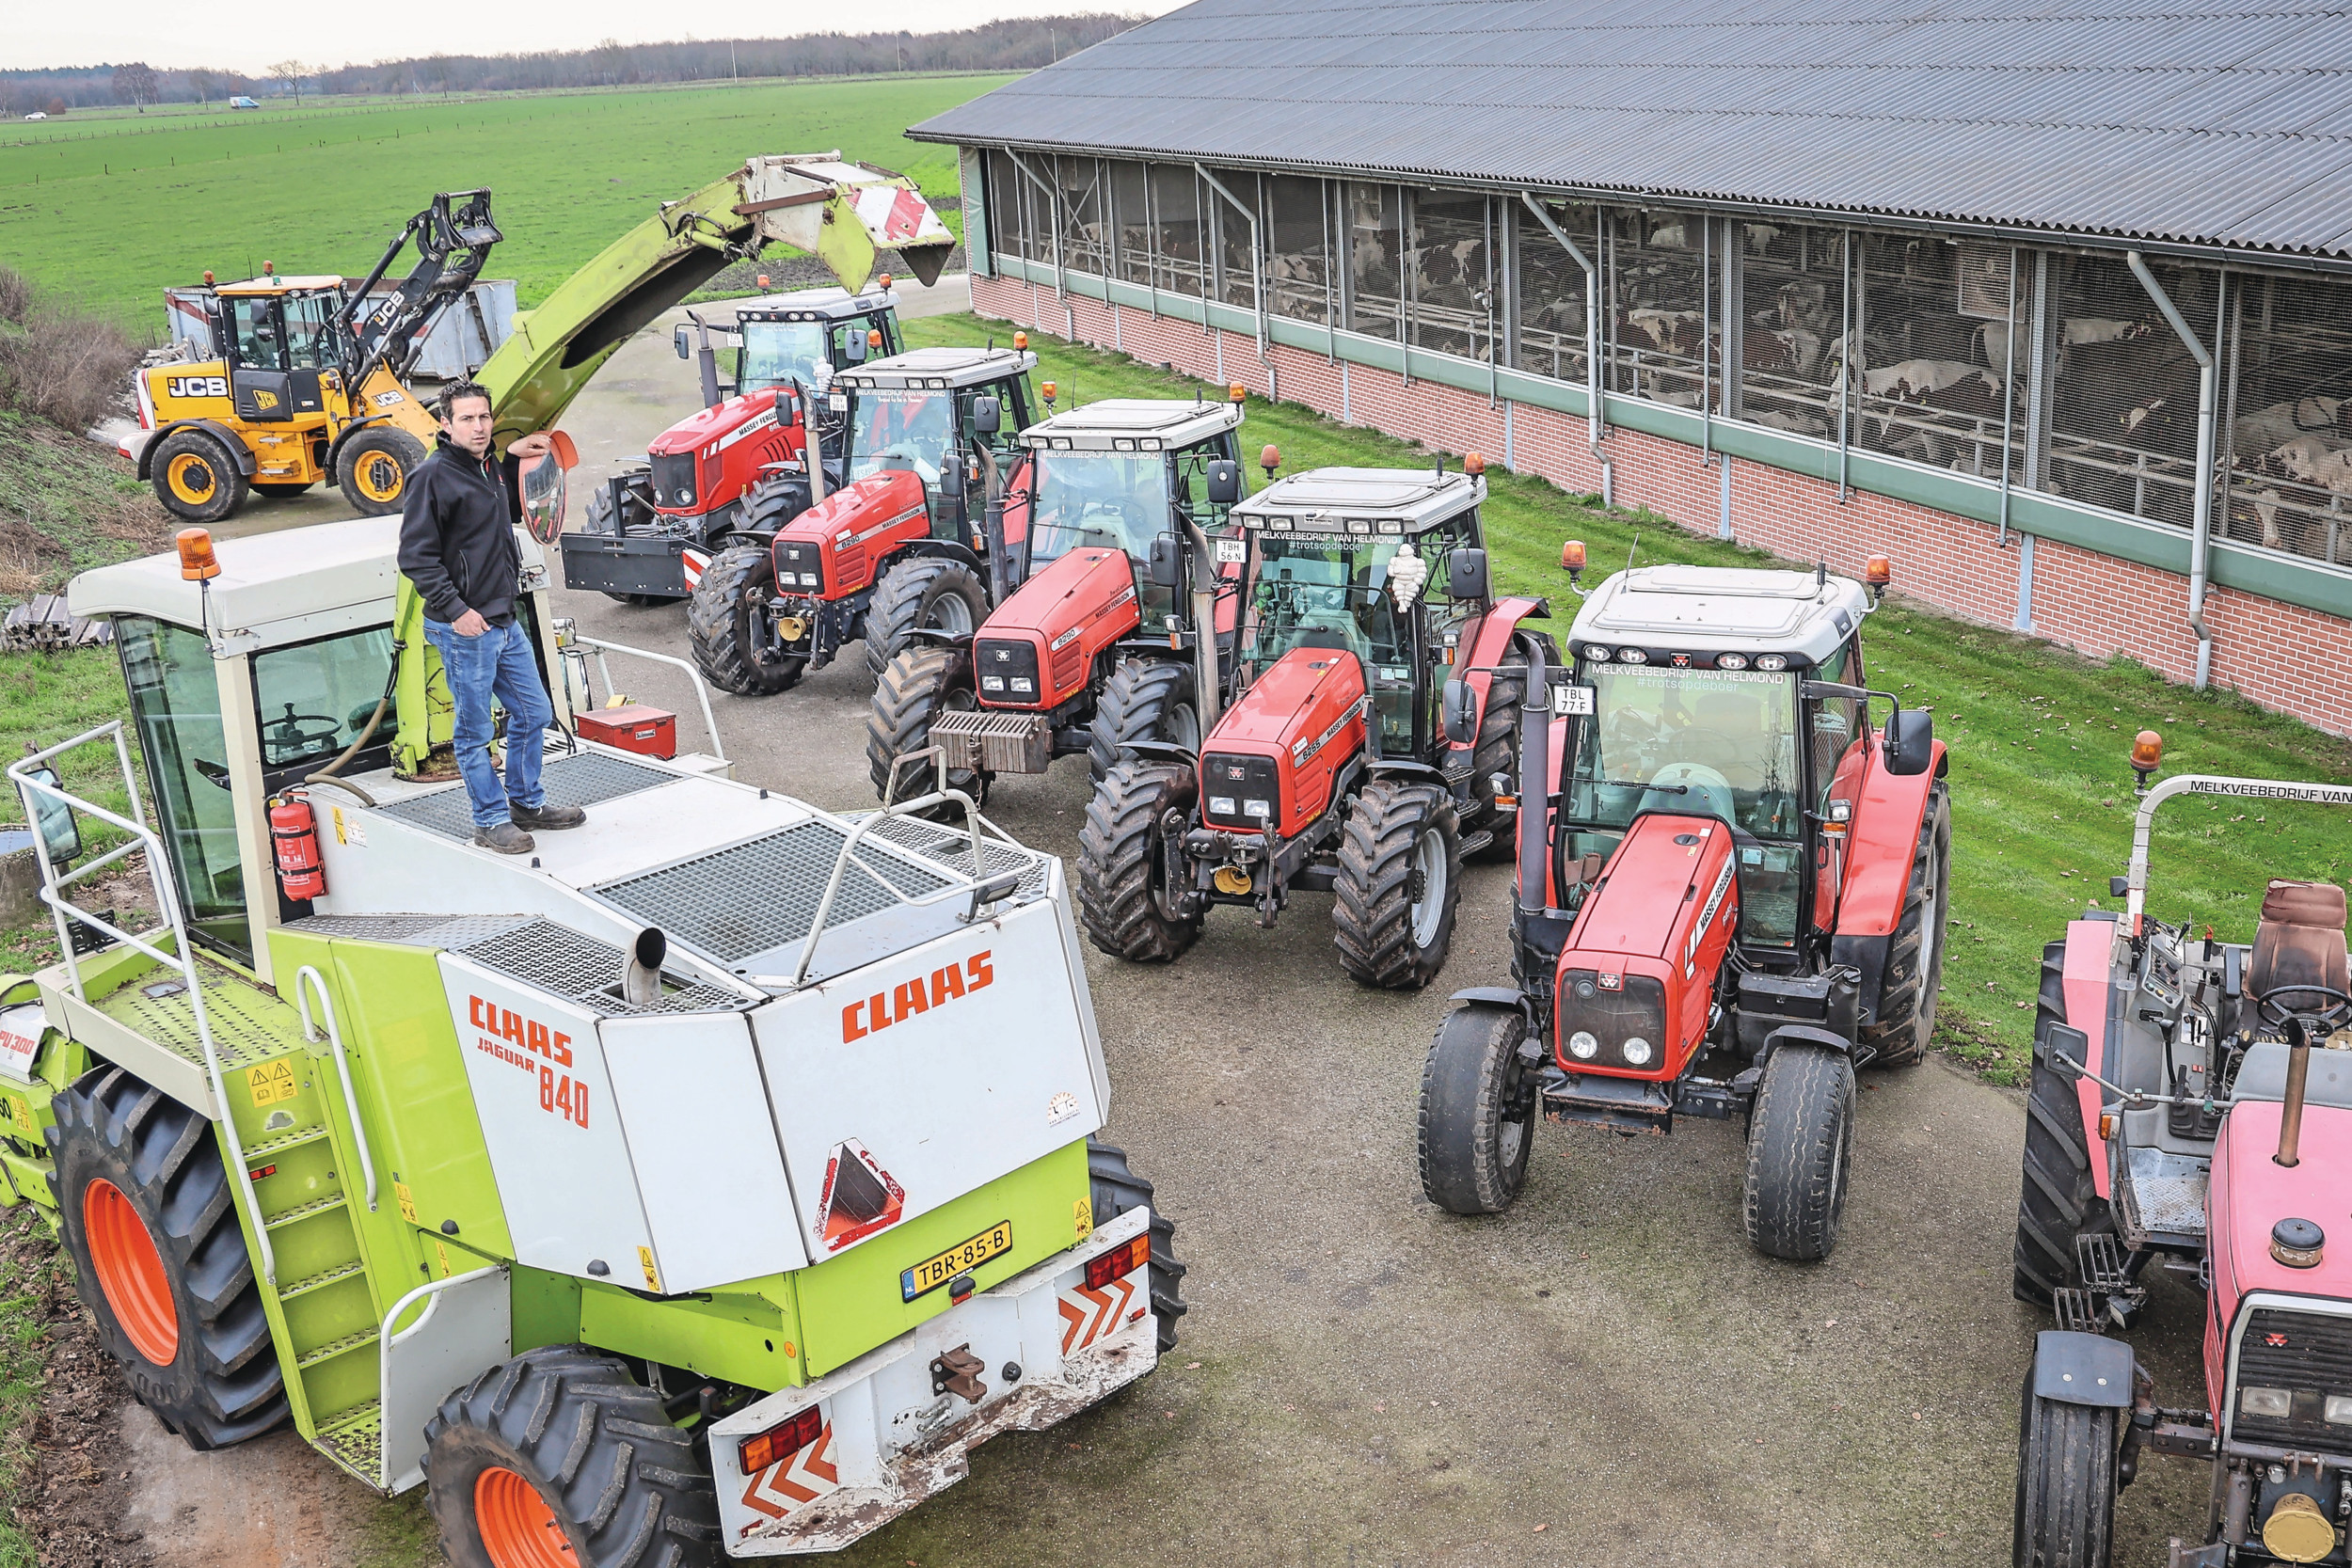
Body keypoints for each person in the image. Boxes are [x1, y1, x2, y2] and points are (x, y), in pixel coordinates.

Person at [396, 381, 578, 854]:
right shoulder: (432, 478)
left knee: (534, 713)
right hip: (465, 628)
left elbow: (505, 512)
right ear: (445, 424)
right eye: (467, 419)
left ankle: (526, 804)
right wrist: (457, 611)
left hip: (503, 618)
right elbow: (415, 557)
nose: (478, 427)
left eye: (484, 417)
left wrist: (513, 461)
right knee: (474, 733)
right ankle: (490, 820)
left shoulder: (489, 467)